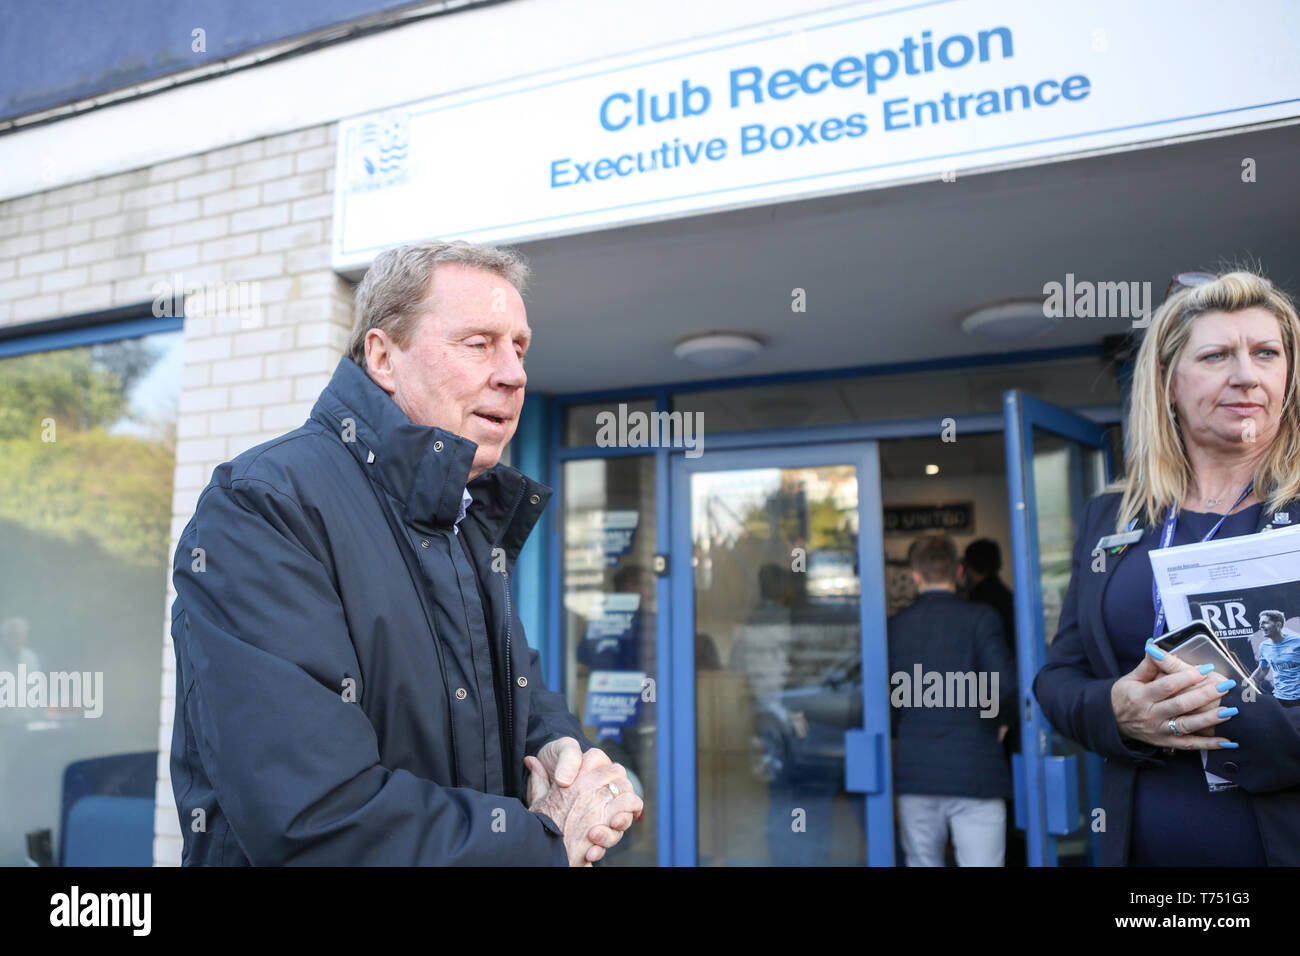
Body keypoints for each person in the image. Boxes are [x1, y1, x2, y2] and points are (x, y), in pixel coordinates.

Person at [169, 240, 642, 866]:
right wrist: (542, 840)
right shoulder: (263, 505)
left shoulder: (464, 510)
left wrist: (564, 755)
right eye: (479, 343)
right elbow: (314, 819)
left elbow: (515, 690)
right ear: (382, 357)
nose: (514, 373)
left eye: (519, 347)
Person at [1033, 270, 1300, 866]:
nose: (1246, 375)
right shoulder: (1113, 517)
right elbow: (1057, 678)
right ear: (1168, 384)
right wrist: (1119, 711)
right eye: (1216, 355)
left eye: (1266, 353)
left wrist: (1222, 713)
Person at [889, 534, 1015, 866]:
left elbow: (884, 702)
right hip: (976, 768)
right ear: (959, 572)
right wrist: (998, 722)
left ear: (915, 575)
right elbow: (1003, 685)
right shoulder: (981, 618)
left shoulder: (895, 627)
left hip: (916, 770)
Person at [1249, 610, 1300, 704]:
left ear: (1278, 625)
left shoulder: (1297, 641)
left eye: (1265, 623)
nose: (1261, 626)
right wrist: (1248, 682)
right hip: (1281, 699)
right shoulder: (1264, 646)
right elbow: (1263, 669)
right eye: (1260, 623)